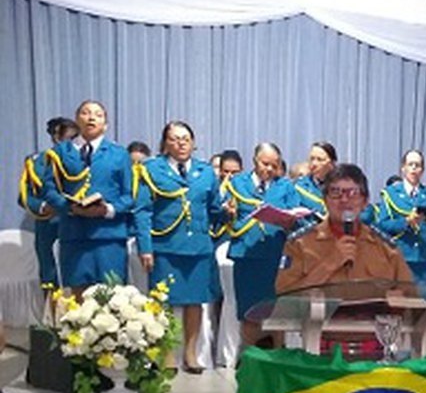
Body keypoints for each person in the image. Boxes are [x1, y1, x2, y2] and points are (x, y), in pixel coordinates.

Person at [133, 121, 226, 373]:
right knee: (163, 302)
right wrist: (145, 247)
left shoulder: (206, 172)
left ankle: (190, 354)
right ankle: (166, 354)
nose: (181, 143)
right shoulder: (151, 170)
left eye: (186, 138)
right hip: (165, 246)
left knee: (195, 301)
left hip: (197, 246)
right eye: (174, 139)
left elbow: (214, 210)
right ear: (165, 144)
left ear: (193, 143)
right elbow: (142, 211)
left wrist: (228, 212)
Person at [40, 100, 139, 290]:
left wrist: (108, 210)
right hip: (74, 235)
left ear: (106, 124)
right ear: (77, 119)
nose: (92, 117)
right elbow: (48, 189)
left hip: (109, 236)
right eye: (86, 113)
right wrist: (68, 207)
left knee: (113, 298)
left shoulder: (119, 154)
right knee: (78, 301)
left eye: (98, 114)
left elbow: (129, 196)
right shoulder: (60, 153)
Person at [276, 164, 412, 293]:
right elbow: (285, 297)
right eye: (336, 192)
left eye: (353, 193)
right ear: (325, 200)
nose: (344, 200)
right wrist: (330, 263)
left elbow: (410, 297)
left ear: (365, 201)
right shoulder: (300, 245)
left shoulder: (385, 249)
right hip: (320, 317)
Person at [225, 142, 298, 347]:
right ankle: (249, 355)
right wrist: (228, 213)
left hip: (275, 255)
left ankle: (277, 356)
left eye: (274, 165)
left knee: (277, 312)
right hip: (248, 254)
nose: (269, 169)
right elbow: (224, 214)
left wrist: (289, 220)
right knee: (249, 311)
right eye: (265, 164)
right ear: (255, 161)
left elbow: (296, 216)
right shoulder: (237, 183)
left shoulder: (285, 186)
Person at [19, 117, 78, 290]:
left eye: (75, 138)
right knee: (49, 273)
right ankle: (51, 312)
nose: (72, 143)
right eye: (69, 138)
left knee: (78, 271)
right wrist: (43, 207)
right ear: (55, 137)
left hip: (77, 221)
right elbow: (24, 196)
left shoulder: (86, 159)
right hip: (48, 222)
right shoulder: (38, 161)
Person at [376, 149, 426, 288]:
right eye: (410, 164)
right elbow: (382, 225)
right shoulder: (390, 194)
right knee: (398, 304)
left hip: (424, 259)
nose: (414, 168)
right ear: (403, 168)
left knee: (423, 304)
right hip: (400, 256)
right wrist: (406, 221)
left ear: (422, 170)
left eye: (417, 165)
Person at [293, 141, 337, 217]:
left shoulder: (344, 187)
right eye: (312, 159)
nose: (314, 164)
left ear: (332, 163)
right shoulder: (299, 188)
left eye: (320, 160)